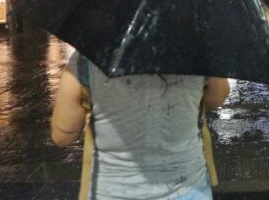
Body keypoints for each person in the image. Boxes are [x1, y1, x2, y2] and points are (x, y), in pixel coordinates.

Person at [51, 51, 231, 200]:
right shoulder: (199, 53)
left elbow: (62, 136)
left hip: (111, 192)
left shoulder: (87, 59)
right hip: (189, 189)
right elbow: (217, 98)